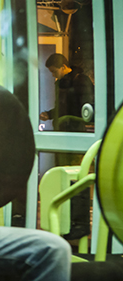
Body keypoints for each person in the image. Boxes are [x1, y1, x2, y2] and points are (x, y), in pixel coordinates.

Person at [40, 53, 95, 238]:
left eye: (55, 71)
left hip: (73, 135)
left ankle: (79, 223)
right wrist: (50, 114)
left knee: (76, 179)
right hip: (63, 134)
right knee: (66, 178)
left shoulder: (80, 81)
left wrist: (63, 118)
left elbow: (86, 109)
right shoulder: (63, 83)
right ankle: (68, 221)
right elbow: (64, 107)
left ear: (63, 66)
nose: (54, 76)